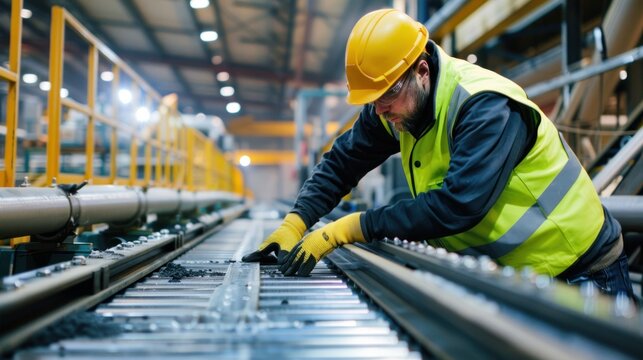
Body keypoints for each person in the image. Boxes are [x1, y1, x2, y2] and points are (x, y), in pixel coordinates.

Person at [242, 9, 635, 299]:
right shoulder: (393, 105)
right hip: (515, 276)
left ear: (422, 70)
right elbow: (342, 162)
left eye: (387, 96)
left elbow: (458, 205)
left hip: (580, 269)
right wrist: (295, 222)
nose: (380, 110)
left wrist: (350, 227)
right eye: (373, 100)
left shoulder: (484, 105)